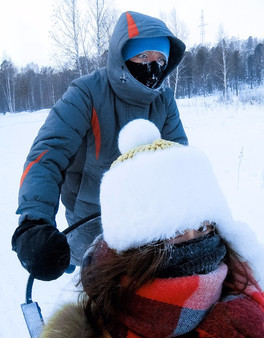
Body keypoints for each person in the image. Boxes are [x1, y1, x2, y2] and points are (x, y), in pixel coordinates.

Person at [36, 119, 264, 338]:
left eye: (202, 227)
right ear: (136, 249)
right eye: (174, 233)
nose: (193, 242)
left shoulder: (239, 300)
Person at [11, 11, 188, 281]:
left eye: (160, 59)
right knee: (98, 279)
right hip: (90, 215)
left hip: (147, 213)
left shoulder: (163, 99)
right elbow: (47, 154)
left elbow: (178, 158)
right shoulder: (86, 93)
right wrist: (34, 221)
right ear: (122, 56)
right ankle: (72, 258)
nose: (152, 67)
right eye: (143, 56)